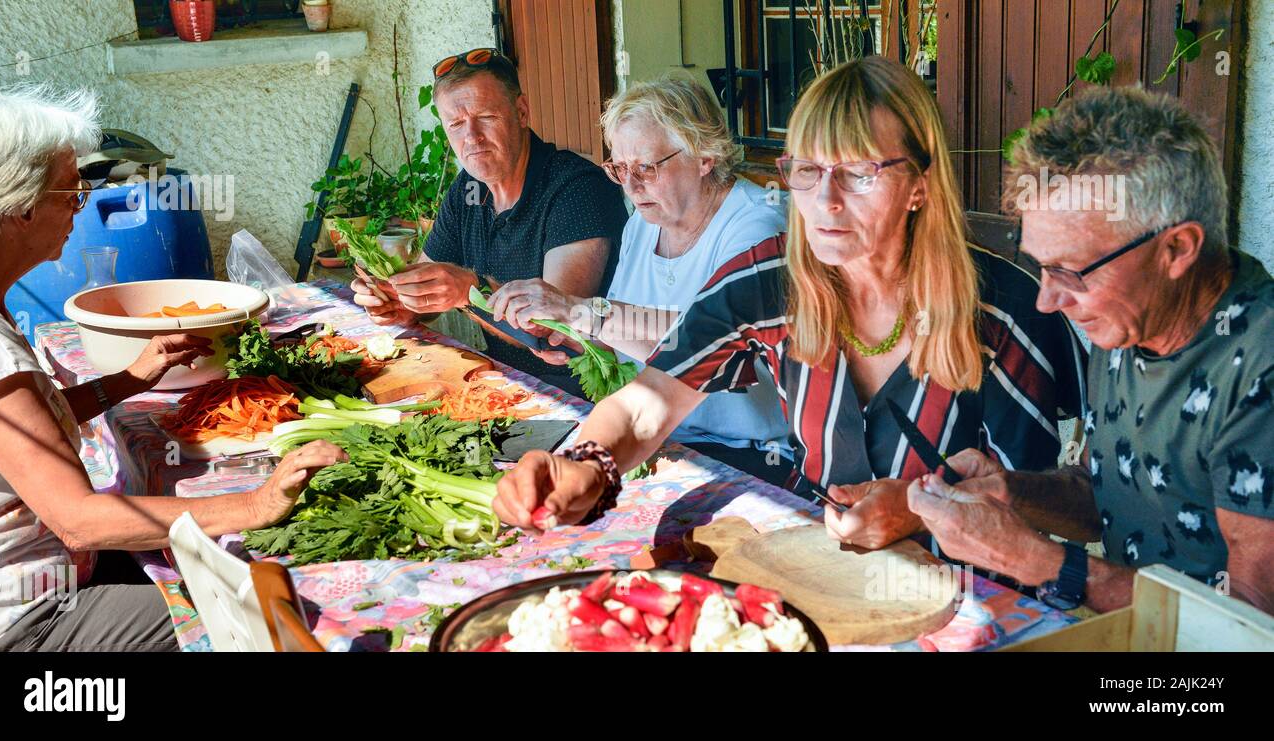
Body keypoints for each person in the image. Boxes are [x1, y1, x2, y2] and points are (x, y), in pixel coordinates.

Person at [487, 57, 1086, 541]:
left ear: (919, 187)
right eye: (805, 169)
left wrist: (923, 509)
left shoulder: (1002, 311)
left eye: (858, 173)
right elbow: (651, 401)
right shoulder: (773, 283)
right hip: (823, 568)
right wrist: (587, 464)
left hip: (972, 600)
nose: (824, 201)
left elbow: (1058, 501)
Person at [0, 87, 344, 651]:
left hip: (51, 572)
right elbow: (79, 519)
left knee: (201, 570)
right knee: (266, 622)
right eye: (72, 193)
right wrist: (254, 503)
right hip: (20, 620)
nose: (80, 207)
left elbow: (20, 433)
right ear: (20, 206)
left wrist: (130, 379)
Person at [905, 86, 1274, 614]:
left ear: (1177, 248)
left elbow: (1250, 627)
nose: (1048, 300)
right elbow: (1110, 489)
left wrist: (1035, 561)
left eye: (1069, 270)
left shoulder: (1260, 367)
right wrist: (1009, 492)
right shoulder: (1130, 318)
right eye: (1041, 265)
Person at [485, 76, 792, 485]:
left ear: (704, 156)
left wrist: (579, 310)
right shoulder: (644, 222)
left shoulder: (756, 228)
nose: (631, 185)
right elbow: (623, 333)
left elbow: (707, 342)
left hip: (743, 452)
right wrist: (570, 333)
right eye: (619, 168)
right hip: (659, 436)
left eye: (646, 167)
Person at [351, 48, 628, 396]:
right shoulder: (467, 190)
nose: (472, 137)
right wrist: (400, 302)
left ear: (521, 111)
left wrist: (468, 290)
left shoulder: (577, 187)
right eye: (455, 124)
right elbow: (429, 290)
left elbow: (552, 330)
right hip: (504, 381)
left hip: (579, 395)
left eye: (486, 117)